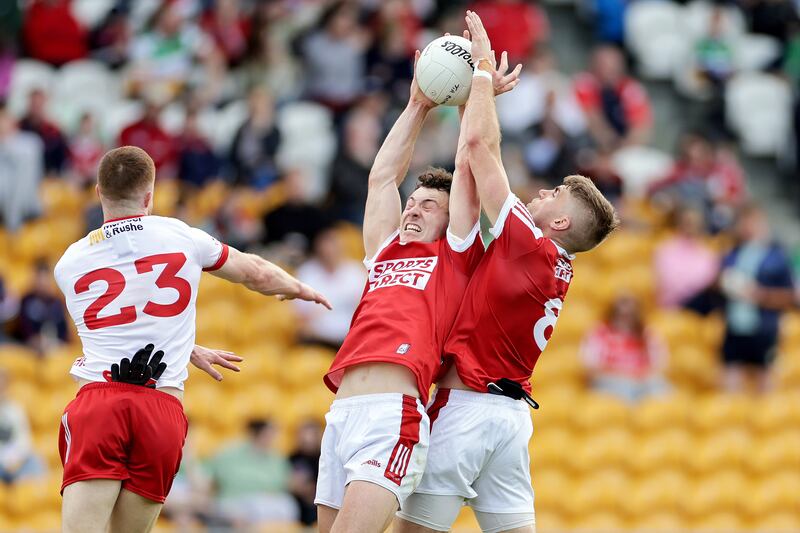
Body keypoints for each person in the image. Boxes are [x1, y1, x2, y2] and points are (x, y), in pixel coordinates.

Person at [396, 12, 618, 533]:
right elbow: (474, 162)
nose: (541, 192)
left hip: (466, 407)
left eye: (554, 194)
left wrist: (479, 74)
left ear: (560, 221)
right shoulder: (554, 265)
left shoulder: (531, 245)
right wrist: (479, 101)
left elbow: (480, 149)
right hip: (511, 418)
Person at [53, 146, 331, 533]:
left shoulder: (70, 261)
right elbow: (255, 273)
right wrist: (299, 287)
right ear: (150, 195)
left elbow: (119, 322)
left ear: (98, 192)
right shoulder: (179, 235)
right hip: (161, 406)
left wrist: (184, 346)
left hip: (102, 400)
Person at [315, 41, 521, 533]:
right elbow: (383, 179)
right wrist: (417, 104)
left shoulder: (454, 253)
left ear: (451, 220)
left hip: (393, 414)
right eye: (414, 202)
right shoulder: (385, 249)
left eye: (428, 205)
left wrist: (479, 92)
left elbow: (470, 164)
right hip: (341, 413)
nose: (413, 209)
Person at [719, 205, 795, 393]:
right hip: (735, 327)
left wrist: (759, 295)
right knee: (731, 380)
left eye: (752, 221)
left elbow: (789, 297)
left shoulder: (776, 258)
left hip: (763, 329)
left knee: (765, 379)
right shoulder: (732, 254)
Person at [205, 419, 298, 525]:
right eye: (266, 435)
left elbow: (285, 484)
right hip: (236, 502)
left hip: (268, 503)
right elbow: (214, 481)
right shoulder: (229, 454)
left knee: (288, 506)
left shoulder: (277, 458)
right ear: (255, 434)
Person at [581, 294, 669, 402]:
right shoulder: (599, 332)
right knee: (624, 390)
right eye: (621, 315)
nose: (625, 319)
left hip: (642, 382)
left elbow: (660, 365)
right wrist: (622, 375)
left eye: (629, 315)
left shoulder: (647, 334)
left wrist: (638, 376)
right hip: (611, 382)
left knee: (659, 387)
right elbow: (590, 367)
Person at [294, 227, 365, 349]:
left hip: (350, 338)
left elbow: (364, 308)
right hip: (317, 339)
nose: (329, 251)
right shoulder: (307, 272)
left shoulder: (356, 272)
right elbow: (301, 315)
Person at [0, 369, 45, 484]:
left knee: (36, 461)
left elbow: (24, 440)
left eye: (3, 387)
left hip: (16, 460)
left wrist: (16, 460)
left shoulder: (15, 409)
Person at [13, 261, 69, 354]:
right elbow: (23, 327)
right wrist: (34, 340)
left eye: (45, 278)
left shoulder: (57, 302)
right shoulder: (27, 300)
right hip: (30, 347)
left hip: (55, 345)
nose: (42, 283)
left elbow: (64, 330)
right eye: (40, 278)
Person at [289, 420, 324, 526]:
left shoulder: (326, 458)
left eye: (312, 434)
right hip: (298, 502)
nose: (308, 439)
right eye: (305, 434)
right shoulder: (293, 458)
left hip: (321, 500)